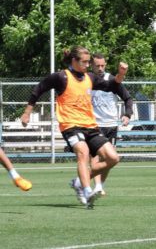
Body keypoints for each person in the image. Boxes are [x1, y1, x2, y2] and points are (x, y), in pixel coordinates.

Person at [20, 46, 131, 209]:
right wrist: (27, 112)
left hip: (90, 126)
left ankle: (79, 182)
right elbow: (39, 88)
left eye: (88, 62)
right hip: (70, 125)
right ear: (74, 61)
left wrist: (121, 74)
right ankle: (87, 191)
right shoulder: (61, 77)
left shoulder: (90, 78)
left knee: (113, 158)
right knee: (83, 152)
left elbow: (111, 86)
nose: (88, 65)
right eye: (85, 62)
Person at [90, 53, 133, 196]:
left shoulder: (111, 81)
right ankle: (96, 186)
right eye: (97, 66)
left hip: (111, 125)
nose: (100, 68)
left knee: (110, 158)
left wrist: (127, 114)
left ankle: (100, 185)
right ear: (91, 65)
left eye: (103, 65)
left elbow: (127, 98)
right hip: (94, 125)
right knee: (95, 157)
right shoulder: (87, 80)